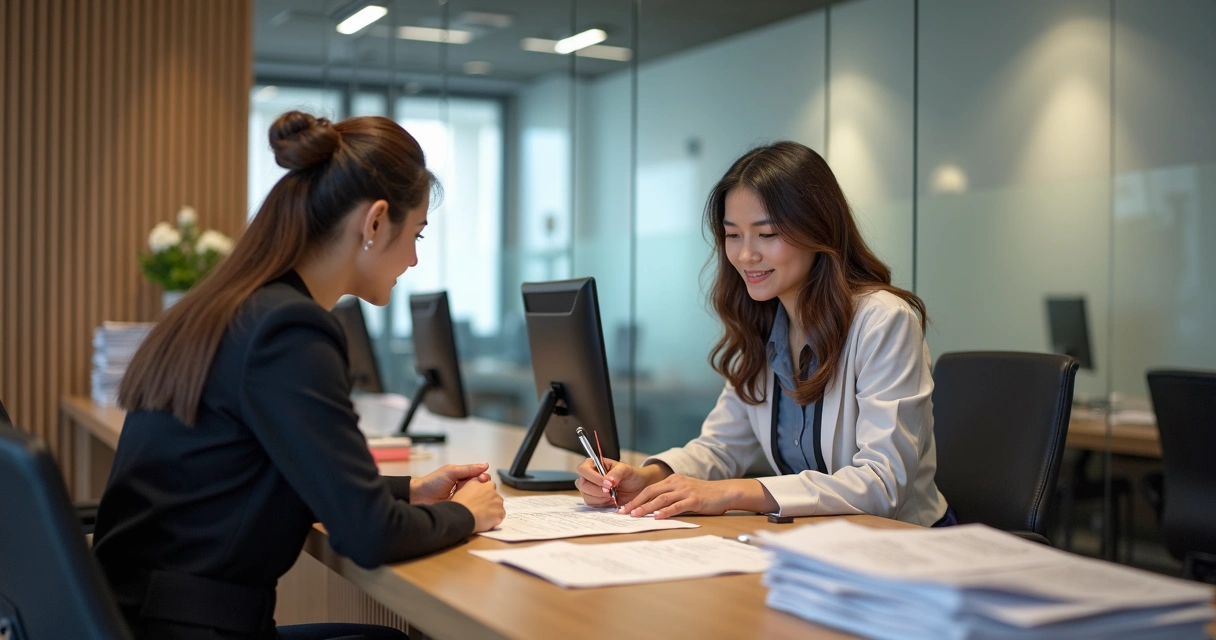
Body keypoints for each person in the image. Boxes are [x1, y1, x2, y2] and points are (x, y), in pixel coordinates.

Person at [92, 111, 506, 640]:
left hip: (134, 618)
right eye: (416, 235)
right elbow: (369, 536)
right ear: (375, 222)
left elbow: (256, 469)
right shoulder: (288, 328)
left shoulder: (230, 305)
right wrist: (468, 515)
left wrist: (409, 490)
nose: (414, 260)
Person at [576, 141, 954, 527]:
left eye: (767, 234)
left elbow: (882, 483)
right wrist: (649, 477)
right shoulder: (764, 324)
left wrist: (733, 492)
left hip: (905, 546)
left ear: (818, 230)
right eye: (733, 235)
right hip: (815, 542)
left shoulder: (884, 320)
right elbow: (721, 447)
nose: (744, 255)